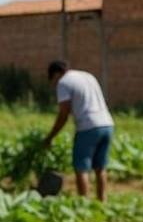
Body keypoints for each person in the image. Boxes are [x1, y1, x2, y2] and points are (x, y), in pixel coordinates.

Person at [43, 60, 115, 202]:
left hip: (88, 127)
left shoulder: (64, 82)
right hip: (107, 124)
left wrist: (50, 137)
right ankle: (102, 202)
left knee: (81, 168)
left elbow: (64, 113)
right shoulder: (87, 76)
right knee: (100, 168)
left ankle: (84, 204)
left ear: (56, 74)